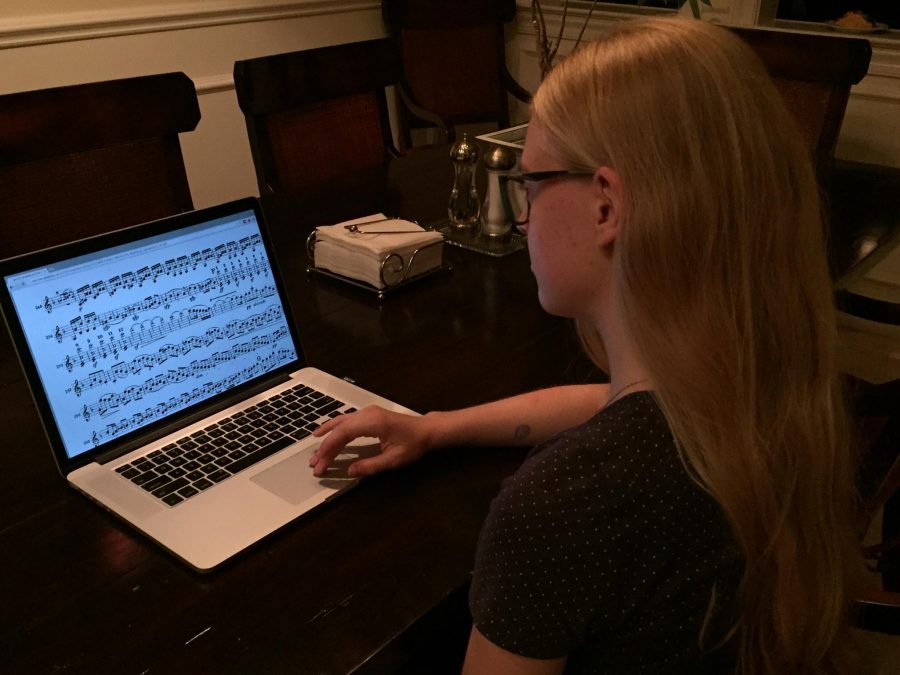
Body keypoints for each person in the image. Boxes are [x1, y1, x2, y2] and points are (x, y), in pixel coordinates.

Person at [309, 17, 863, 675]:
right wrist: (431, 429)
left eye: (531, 184)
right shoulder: (765, 387)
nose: (521, 215)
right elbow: (603, 402)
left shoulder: (566, 505)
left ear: (605, 206)